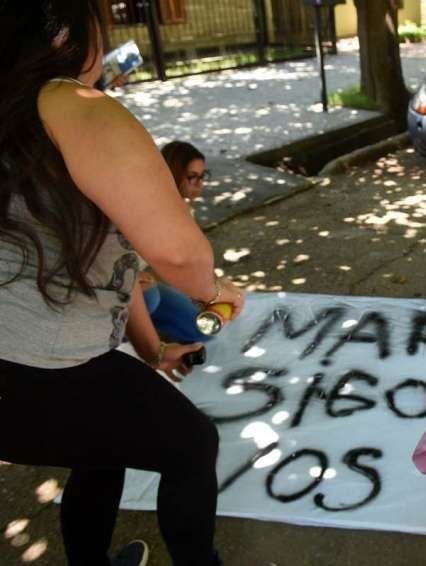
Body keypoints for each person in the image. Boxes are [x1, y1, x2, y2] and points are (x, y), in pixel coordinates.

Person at [0, 2, 245, 565]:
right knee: (193, 444)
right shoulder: (73, 103)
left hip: (22, 375)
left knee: (102, 447)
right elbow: (177, 253)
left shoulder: (12, 109)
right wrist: (214, 292)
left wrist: (151, 350)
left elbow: (114, 269)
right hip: (41, 369)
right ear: (65, 32)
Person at [139, 141, 214, 345]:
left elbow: (191, 258)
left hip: (147, 280)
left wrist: (204, 289)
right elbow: (167, 264)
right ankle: (137, 337)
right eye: (192, 177)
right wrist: (200, 292)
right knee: (150, 297)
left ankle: (157, 329)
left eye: (203, 176)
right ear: (174, 173)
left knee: (204, 329)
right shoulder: (152, 205)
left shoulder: (183, 207)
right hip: (127, 280)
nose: (199, 184)